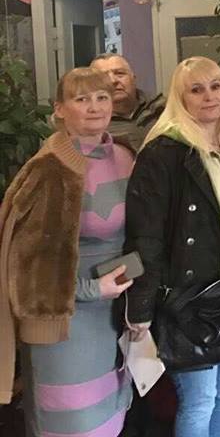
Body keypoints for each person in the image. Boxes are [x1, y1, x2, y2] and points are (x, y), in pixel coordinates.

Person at [123, 57, 220, 437]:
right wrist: (140, 306)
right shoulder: (162, 153)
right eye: (196, 89)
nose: (209, 96)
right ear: (180, 99)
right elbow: (145, 236)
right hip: (188, 299)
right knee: (200, 401)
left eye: (215, 86)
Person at [0, 68, 134, 436]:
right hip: (64, 326)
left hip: (117, 317)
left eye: (102, 97)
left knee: (112, 420)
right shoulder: (49, 169)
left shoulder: (125, 155)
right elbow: (26, 269)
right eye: (81, 98)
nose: (94, 107)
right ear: (59, 109)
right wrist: (93, 290)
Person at [90, 53, 165, 150]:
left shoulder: (163, 109)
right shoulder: (89, 124)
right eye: (103, 77)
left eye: (119, 73)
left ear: (133, 78)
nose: (113, 81)